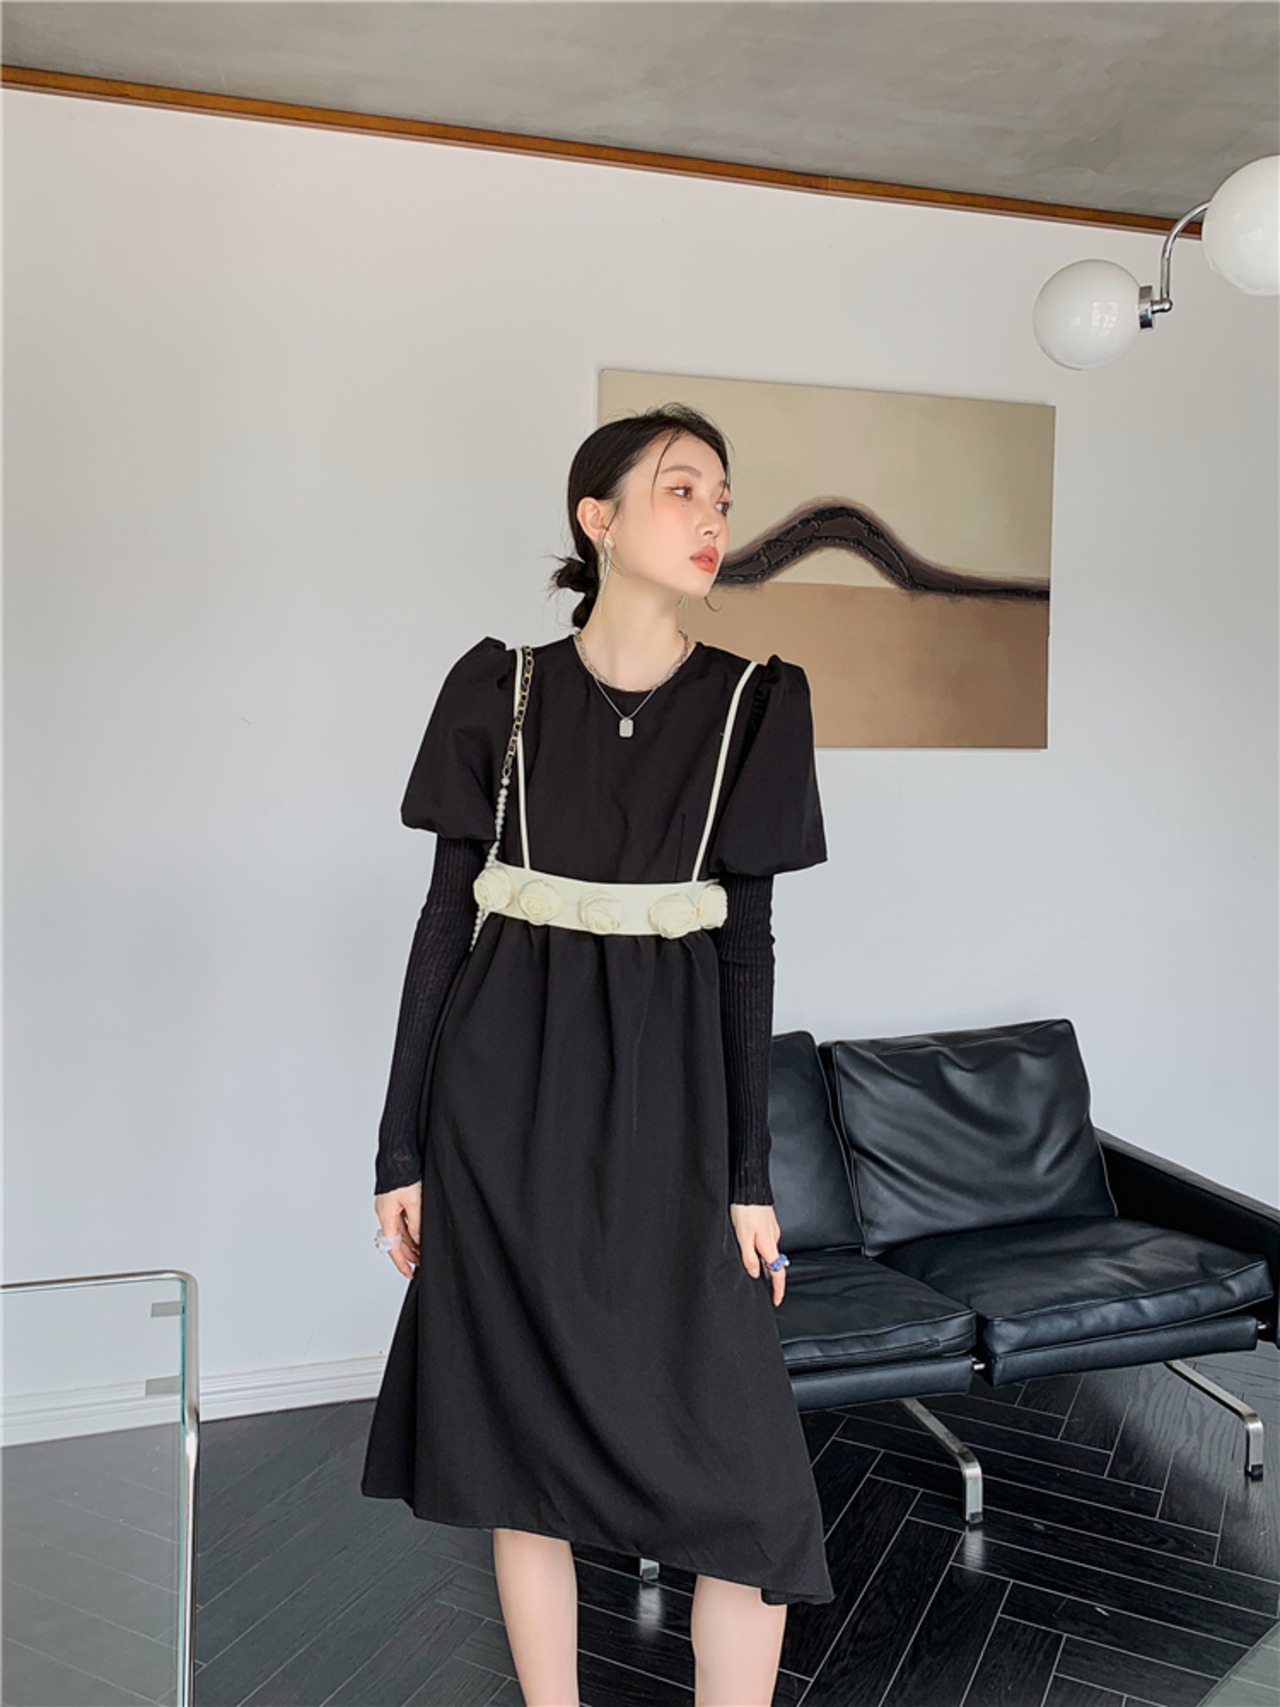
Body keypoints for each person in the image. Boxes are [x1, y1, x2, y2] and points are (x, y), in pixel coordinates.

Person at [360, 404, 834, 1707]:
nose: (713, 517)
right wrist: (399, 1147)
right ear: (598, 518)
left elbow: (748, 954)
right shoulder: (498, 690)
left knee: (751, 1492)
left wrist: (749, 1178)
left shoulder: (755, 702)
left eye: (723, 497)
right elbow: (443, 922)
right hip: (501, 1114)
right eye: (683, 489)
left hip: (674, 1122)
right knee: (524, 1460)